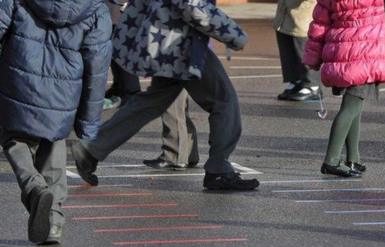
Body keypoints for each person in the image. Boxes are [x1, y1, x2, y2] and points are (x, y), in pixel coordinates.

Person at [71, 0, 260, 190]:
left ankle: (92, 149)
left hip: (164, 37)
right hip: (179, 42)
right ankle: (219, 170)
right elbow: (192, 5)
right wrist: (234, 34)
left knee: (150, 103)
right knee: (224, 101)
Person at [0, 0, 111, 244]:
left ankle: (34, 188)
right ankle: (53, 221)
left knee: (14, 140)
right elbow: (97, 66)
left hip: (18, 83)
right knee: (53, 143)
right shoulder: (95, 8)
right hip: (63, 92)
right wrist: (88, 122)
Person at [303, 0, 385, 177]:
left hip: (342, 49)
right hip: (369, 50)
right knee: (351, 107)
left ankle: (353, 158)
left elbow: (319, 25)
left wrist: (313, 58)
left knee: (355, 104)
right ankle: (331, 160)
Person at [105, 0, 199, 170]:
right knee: (177, 98)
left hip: (172, 34)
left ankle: (175, 155)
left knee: (171, 99)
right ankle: (188, 152)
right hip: (180, 33)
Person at [273, 0, 327, 107]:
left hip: (303, 14)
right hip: (285, 13)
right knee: (287, 46)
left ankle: (312, 86)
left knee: (304, 50)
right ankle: (296, 81)